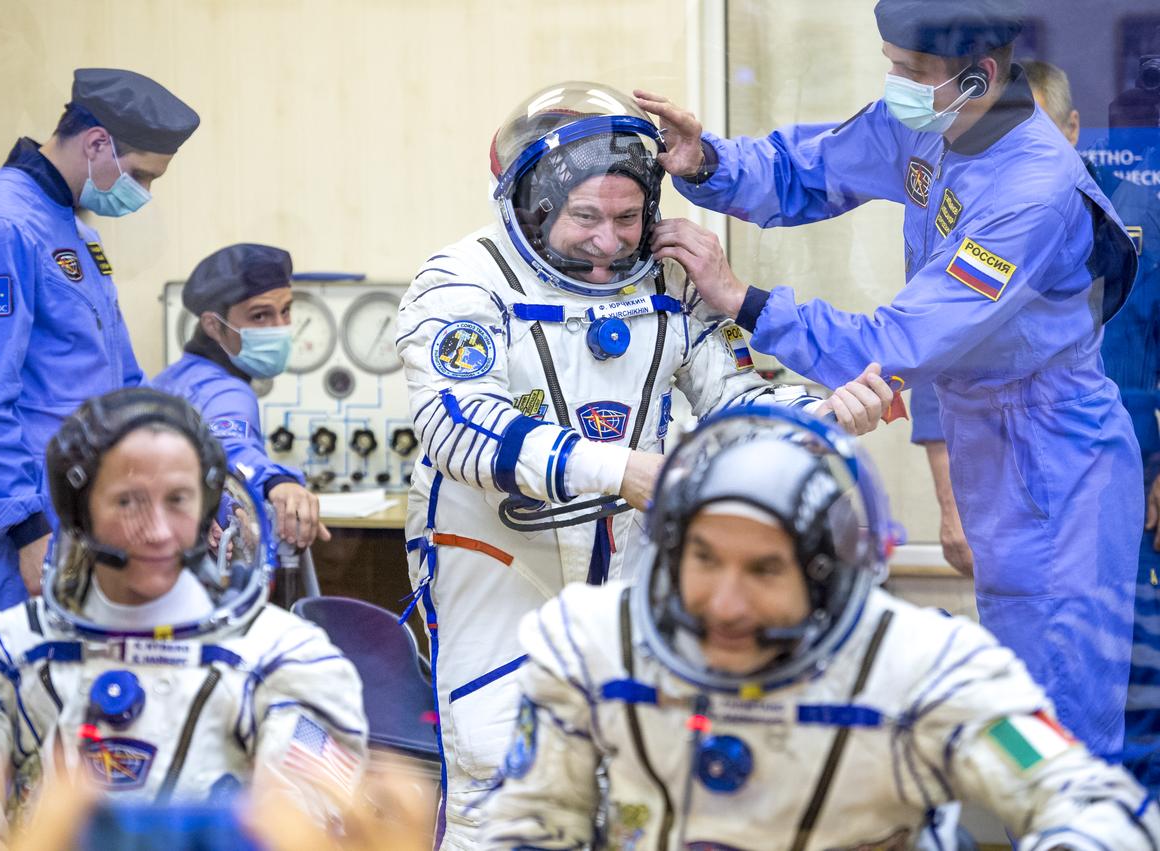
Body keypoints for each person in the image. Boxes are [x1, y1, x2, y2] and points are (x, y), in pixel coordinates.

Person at [635, 0, 1142, 758]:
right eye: (890, 64)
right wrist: (704, 160)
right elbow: (807, 169)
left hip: (1057, 460)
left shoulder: (1031, 192)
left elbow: (898, 343)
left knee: (1059, 731)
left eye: (911, 72)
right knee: (1014, 713)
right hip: (990, 440)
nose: (894, 84)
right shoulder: (928, 121)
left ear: (981, 77)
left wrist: (745, 300)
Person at [396, 81, 895, 849]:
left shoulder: (668, 282)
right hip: (500, 560)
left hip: (630, 564)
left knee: (638, 775)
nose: (608, 241)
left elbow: (739, 408)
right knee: (503, 764)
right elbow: (455, 425)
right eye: (586, 217)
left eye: (628, 218)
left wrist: (833, 412)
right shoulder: (463, 280)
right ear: (533, 203)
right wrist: (622, 469)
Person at [481, 406, 1160, 850]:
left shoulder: (925, 663)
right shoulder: (592, 645)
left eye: (763, 569)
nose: (725, 601)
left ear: (828, 573)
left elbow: (1085, 797)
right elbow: (530, 827)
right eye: (704, 559)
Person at [0, 388, 367, 849]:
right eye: (128, 502)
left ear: (207, 510)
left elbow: (297, 833)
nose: (158, 531)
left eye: (178, 499)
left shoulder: (287, 661)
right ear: (79, 513)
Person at [0, 68, 200, 617]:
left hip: (79, 504)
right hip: (18, 513)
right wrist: (25, 529)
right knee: (33, 687)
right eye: (143, 176)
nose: (143, 196)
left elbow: (123, 384)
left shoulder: (75, 231)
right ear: (97, 142)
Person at [1022, 59, 1160, 792]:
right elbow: (945, 368)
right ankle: (1044, 816)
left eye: (1042, 135)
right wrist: (951, 503)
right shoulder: (984, 225)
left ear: (1076, 131)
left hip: (1127, 483)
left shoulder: (1132, 222)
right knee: (1031, 679)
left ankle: (1126, 820)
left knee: (1132, 668)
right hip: (1018, 492)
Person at [154, 243, 330, 551]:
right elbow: (228, 447)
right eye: (260, 316)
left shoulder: (173, 378)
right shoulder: (228, 391)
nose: (279, 328)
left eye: (285, 310)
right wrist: (276, 482)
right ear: (213, 325)